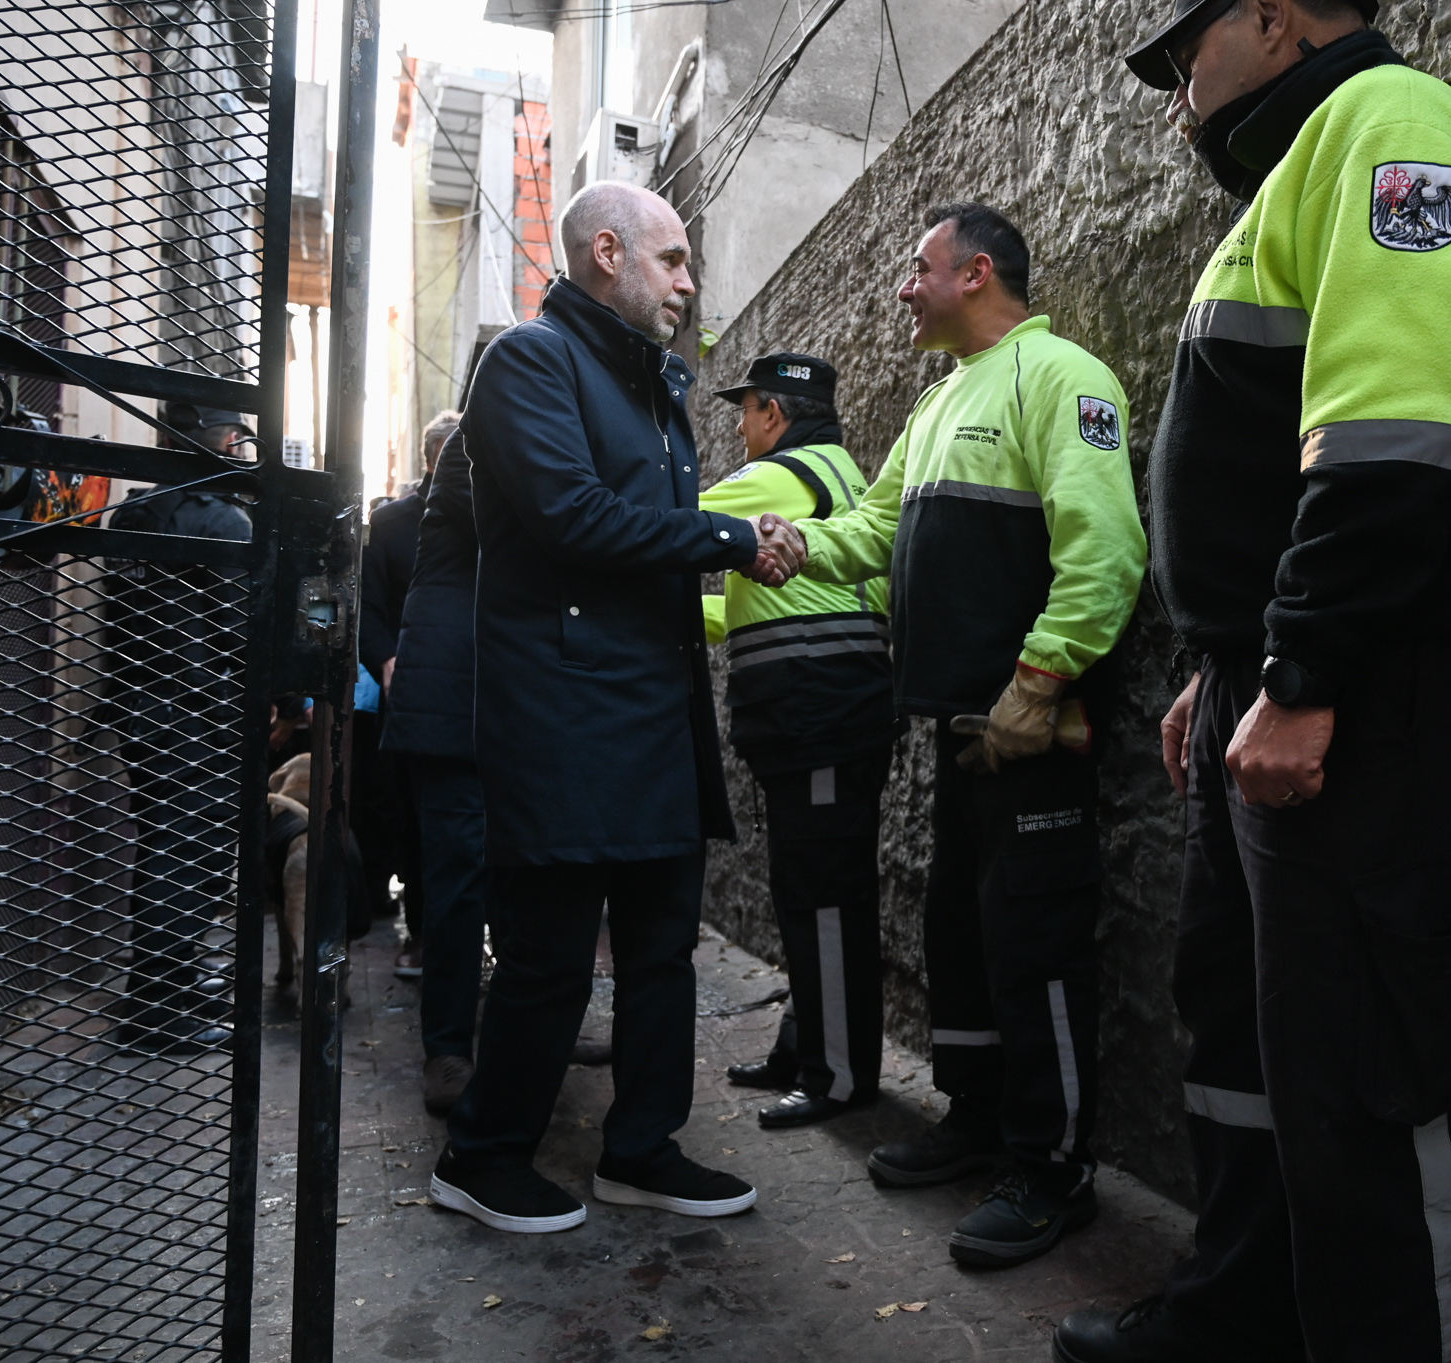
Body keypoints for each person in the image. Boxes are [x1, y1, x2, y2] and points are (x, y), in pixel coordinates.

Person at [1054, 3, 1451, 1360]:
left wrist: (1308, 670)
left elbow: (1396, 434)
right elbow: (1267, 462)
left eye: (1179, 60)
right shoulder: (1305, 164)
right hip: (1273, 674)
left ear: (1270, 17)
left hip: (1373, 684)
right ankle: (1241, 1312)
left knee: (1372, 1060)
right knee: (1246, 1032)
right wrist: (1228, 666)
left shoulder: (1391, 128)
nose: (1174, 97)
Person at [766, 203, 1146, 1267]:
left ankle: (1054, 1168)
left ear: (976, 273)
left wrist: (1039, 683)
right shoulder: (940, 400)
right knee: (963, 934)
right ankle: (979, 1116)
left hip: (1032, 730)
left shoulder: (1061, 376)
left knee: (1036, 944)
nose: (903, 287)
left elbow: (1106, 551)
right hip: (965, 731)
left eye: (918, 267)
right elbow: (877, 527)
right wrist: (800, 543)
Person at [425, 179, 803, 1234]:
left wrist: (738, 545)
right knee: (548, 958)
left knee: (658, 951)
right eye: (673, 259)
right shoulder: (530, 361)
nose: (689, 282)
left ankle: (641, 1147)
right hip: (563, 718)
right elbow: (573, 516)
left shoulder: (653, 389)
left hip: (654, 718)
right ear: (606, 251)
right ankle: (482, 1155)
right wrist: (733, 538)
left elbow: (646, 544)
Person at [699, 352, 896, 1129]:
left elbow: (665, 523)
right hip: (827, 709)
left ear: (773, 414)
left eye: (745, 411)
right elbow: (760, 607)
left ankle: (838, 1075)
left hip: (818, 712)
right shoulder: (841, 473)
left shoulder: (777, 478)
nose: (740, 429)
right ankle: (802, 1043)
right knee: (809, 885)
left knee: (825, 895)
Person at [103, 403, 253, 1054]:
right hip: (196, 714)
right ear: (216, 439)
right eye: (233, 434)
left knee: (165, 846)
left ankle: (169, 983)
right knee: (190, 856)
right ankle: (158, 1012)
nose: (239, 446)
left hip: (139, 707)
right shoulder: (221, 520)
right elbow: (241, 628)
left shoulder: (135, 510)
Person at [379, 416, 492, 1115]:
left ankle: (530, 1025)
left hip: (510, 710)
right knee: (456, 888)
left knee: (529, 881)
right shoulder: (465, 466)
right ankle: (448, 1049)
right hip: (449, 710)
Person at [360, 413, 458, 979]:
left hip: (474, 690)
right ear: (430, 461)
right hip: (410, 696)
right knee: (414, 819)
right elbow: (368, 610)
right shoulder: (392, 524)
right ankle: (422, 933)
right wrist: (387, 659)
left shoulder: (493, 516)